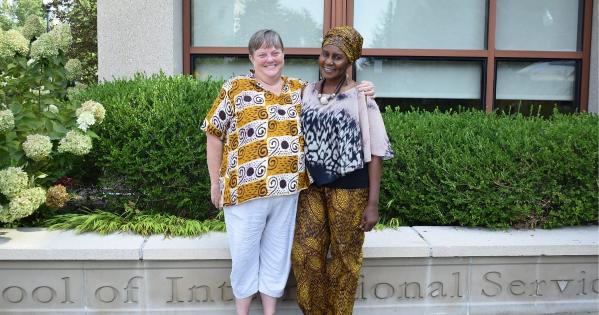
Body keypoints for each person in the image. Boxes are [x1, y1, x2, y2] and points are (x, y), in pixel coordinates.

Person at [201, 29, 374, 315]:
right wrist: (215, 183)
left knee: (277, 258)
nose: (270, 59)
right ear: (251, 58)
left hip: (288, 193)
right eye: (263, 54)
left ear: (283, 54)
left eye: (275, 52)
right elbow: (213, 134)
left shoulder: (301, 89)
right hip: (244, 192)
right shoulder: (235, 88)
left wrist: (363, 89)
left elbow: (336, 99)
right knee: (244, 258)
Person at [291, 26, 394, 315]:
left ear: (349, 61)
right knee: (305, 255)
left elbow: (376, 153)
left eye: (337, 57)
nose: (329, 61)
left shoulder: (363, 98)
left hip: (351, 189)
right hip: (311, 187)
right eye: (325, 54)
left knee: (345, 260)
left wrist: (373, 204)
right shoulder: (305, 93)